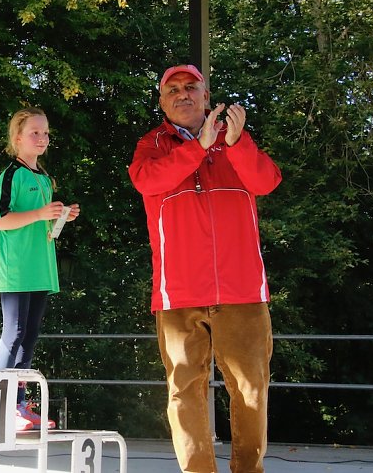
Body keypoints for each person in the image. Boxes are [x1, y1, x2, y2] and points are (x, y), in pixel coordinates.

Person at [129, 64, 282, 473]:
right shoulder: (152, 144)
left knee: (251, 390)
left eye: (190, 87)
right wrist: (198, 146)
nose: (182, 94)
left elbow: (267, 181)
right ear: (162, 102)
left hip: (243, 290)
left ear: (205, 95)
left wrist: (235, 142)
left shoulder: (235, 142)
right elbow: (146, 181)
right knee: (184, 391)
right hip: (178, 291)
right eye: (173, 89)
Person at [0, 107, 79, 431]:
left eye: (45, 133)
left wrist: (60, 216)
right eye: (34, 133)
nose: (42, 138)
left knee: (29, 337)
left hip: (41, 268)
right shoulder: (11, 173)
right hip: (15, 268)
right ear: (17, 138)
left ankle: (19, 405)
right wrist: (42, 213)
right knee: (12, 334)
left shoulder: (44, 177)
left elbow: (41, 221)